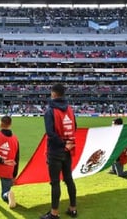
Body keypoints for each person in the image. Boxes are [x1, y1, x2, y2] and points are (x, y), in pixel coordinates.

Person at [41, 84, 77, 219]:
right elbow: (75, 126)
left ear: (54, 94)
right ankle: (73, 208)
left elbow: (50, 133)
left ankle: (54, 213)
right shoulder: (70, 110)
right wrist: (68, 143)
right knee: (69, 179)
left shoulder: (50, 111)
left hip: (55, 151)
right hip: (68, 150)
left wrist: (62, 143)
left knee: (55, 182)